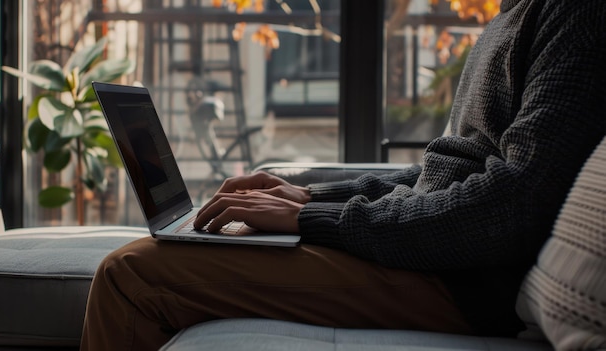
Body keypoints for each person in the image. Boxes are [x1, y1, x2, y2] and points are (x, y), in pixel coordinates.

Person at [80, 0, 606, 350]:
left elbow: (512, 206)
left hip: (457, 281)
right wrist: (309, 195)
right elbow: (443, 176)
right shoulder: (514, 12)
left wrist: (314, 218)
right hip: (427, 255)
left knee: (131, 273)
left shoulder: (576, 16)